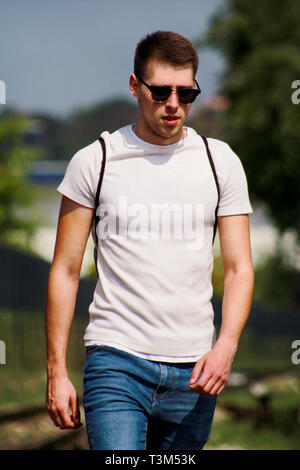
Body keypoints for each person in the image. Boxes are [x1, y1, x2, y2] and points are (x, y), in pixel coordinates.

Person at [45, 31, 254, 450]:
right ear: (134, 86)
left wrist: (226, 346)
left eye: (186, 92)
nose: (174, 104)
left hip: (194, 371)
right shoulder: (95, 161)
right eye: (160, 91)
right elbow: (65, 270)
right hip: (116, 360)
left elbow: (239, 268)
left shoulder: (220, 163)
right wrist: (56, 370)